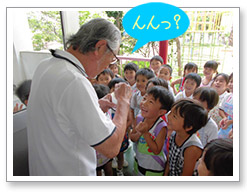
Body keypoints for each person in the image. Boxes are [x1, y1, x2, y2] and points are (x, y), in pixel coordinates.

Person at [26, 18, 132, 176]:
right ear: (100, 47)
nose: (110, 64)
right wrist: (123, 101)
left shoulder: (46, 66)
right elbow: (111, 148)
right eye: (113, 58)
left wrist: (95, 105)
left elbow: (61, 116)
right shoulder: (74, 81)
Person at [130, 86, 174, 176]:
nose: (144, 103)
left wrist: (145, 133)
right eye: (145, 98)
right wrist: (138, 133)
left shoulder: (161, 127)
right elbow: (132, 138)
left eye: (150, 102)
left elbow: (157, 150)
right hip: (139, 161)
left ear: (161, 112)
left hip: (154, 167)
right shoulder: (139, 118)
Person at [164, 99, 208, 176]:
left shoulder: (192, 148)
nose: (168, 116)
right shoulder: (174, 134)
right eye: (170, 112)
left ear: (188, 127)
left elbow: (186, 175)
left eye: (174, 116)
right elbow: (169, 160)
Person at [93, 84, 113, 176]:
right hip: (100, 152)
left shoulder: (108, 111)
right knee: (100, 170)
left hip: (102, 152)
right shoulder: (96, 116)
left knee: (105, 169)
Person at [218, 73, 233, 139]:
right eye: (231, 81)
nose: (231, 84)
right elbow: (221, 109)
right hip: (225, 125)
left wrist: (231, 122)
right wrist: (224, 118)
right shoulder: (227, 96)